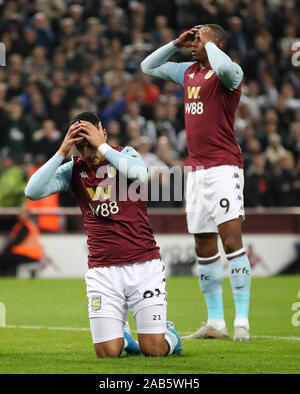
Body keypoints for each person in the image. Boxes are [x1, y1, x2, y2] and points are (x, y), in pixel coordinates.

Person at [25, 111, 182, 358]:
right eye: (82, 145)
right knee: (108, 353)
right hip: (103, 271)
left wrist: (102, 145)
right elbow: (32, 192)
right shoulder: (73, 170)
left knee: (153, 350)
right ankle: (124, 337)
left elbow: (140, 174)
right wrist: (61, 153)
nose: (88, 151)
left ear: (104, 134)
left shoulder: (126, 154)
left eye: (91, 142)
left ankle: (170, 335)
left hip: (143, 265)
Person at [141, 24, 251, 341]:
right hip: (196, 171)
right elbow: (147, 66)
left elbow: (225, 66)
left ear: (216, 44)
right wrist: (175, 43)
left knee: (232, 242)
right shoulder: (187, 72)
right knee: (203, 247)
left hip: (223, 168)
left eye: (199, 40)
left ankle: (241, 320)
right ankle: (216, 322)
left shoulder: (229, 74)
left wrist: (210, 42)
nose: (194, 44)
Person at [0, 205, 43, 276]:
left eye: (23, 214)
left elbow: (16, 242)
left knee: (4, 258)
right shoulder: (28, 225)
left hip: (28, 254)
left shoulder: (25, 226)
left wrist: (6, 251)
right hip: (32, 254)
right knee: (7, 258)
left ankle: (5, 276)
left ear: (27, 215)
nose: (20, 215)